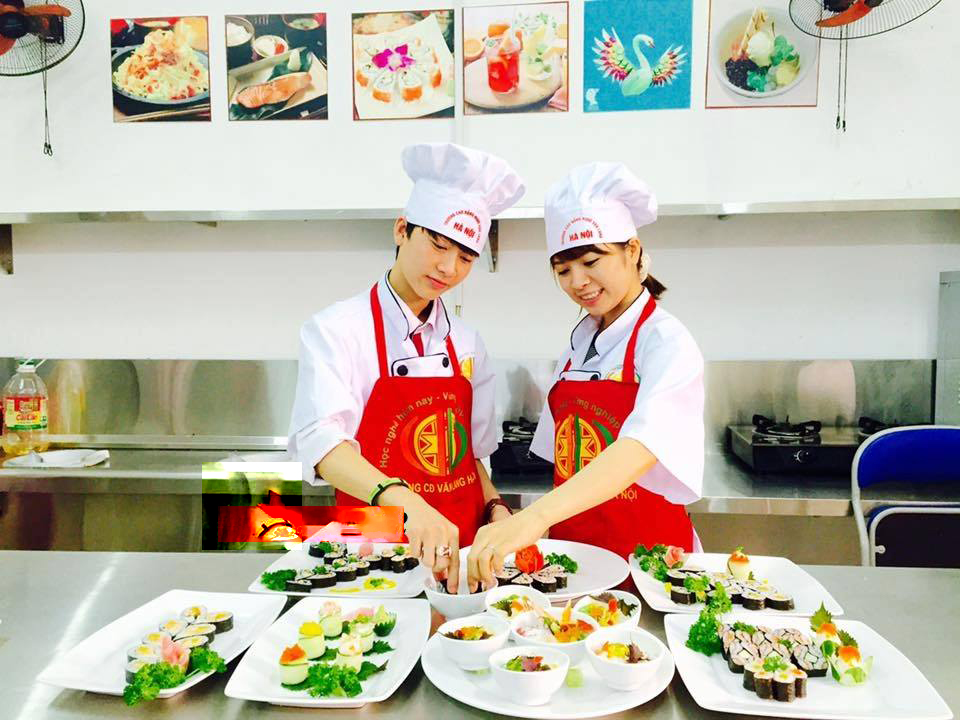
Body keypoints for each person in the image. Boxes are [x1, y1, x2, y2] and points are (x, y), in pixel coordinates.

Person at [289, 143, 525, 589]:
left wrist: (495, 506)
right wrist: (407, 502)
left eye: (466, 257)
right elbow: (322, 445)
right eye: (438, 244)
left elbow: (469, 458)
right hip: (373, 551)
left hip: (460, 555)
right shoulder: (337, 329)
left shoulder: (467, 342)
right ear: (402, 229)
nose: (448, 268)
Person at [466, 162, 705, 589]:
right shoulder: (579, 344)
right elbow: (567, 461)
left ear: (633, 250)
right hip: (574, 558)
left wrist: (536, 516)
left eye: (592, 261)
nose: (578, 282)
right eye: (562, 270)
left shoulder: (665, 341)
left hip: (646, 563)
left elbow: (642, 447)